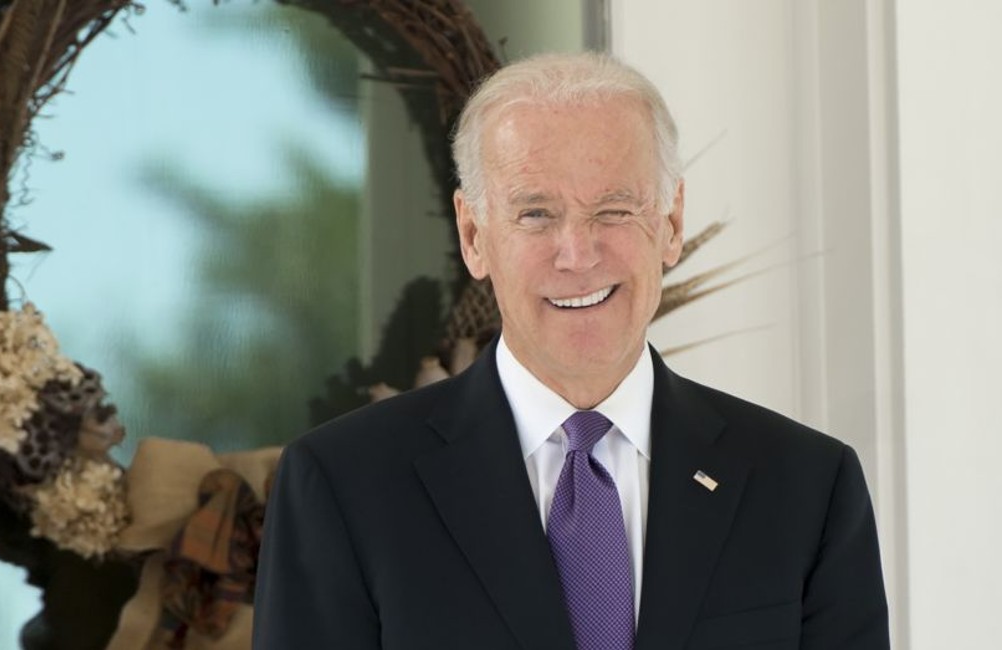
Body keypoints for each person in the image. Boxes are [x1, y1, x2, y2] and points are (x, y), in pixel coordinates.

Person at [253, 52, 889, 650]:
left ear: (670, 224)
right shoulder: (342, 487)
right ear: (473, 235)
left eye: (614, 210)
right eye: (535, 214)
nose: (578, 255)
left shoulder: (807, 488)